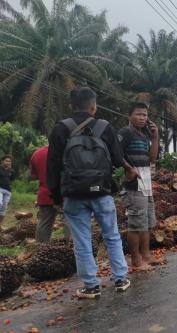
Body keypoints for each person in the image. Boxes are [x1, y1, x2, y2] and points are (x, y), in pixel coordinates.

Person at [47, 86, 135, 299]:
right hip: (102, 191)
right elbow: (116, 159)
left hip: (73, 194)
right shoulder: (104, 127)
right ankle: (120, 279)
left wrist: (56, 197)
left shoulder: (61, 128)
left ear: (71, 106)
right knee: (112, 236)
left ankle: (91, 285)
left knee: (82, 240)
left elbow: (53, 165)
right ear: (93, 106)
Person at [117, 102, 159, 271]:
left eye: (145, 115)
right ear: (130, 116)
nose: (143, 118)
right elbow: (115, 153)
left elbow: (152, 158)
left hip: (146, 181)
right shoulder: (125, 133)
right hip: (134, 184)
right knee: (136, 224)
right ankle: (136, 260)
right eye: (139, 114)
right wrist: (128, 168)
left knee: (147, 222)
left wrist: (155, 137)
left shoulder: (143, 135)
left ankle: (146, 255)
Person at [30, 145, 70, 242]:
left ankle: (40, 250)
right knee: (69, 221)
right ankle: (71, 249)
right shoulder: (65, 151)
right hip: (64, 193)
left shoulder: (37, 153)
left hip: (45, 194)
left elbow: (33, 176)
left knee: (44, 222)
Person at [0, 155, 14, 229]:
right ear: (2, 161)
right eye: (6, 161)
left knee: (4, 208)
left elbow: (11, 180)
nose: (8, 162)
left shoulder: (11, 171)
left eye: (9, 161)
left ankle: (0, 224)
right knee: (0, 203)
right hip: (0, 189)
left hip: (8, 191)